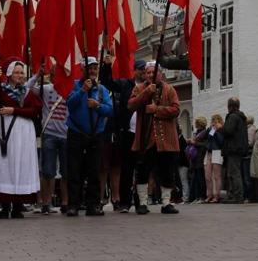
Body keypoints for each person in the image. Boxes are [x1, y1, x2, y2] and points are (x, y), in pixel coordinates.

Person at [0, 59, 42, 219]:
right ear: (9, 74)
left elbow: (35, 111)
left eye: (22, 72)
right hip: (5, 131)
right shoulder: (1, 90)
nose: (20, 75)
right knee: (4, 166)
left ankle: (17, 205)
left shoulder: (28, 93)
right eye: (16, 72)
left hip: (23, 133)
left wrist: (15, 110)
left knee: (20, 166)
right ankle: (4, 206)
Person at [127, 62, 180, 215]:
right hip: (146, 139)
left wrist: (157, 110)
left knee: (167, 172)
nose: (150, 75)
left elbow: (176, 109)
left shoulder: (169, 89)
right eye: (148, 72)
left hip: (166, 141)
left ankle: (166, 202)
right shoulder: (139, 89)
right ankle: (142, 202)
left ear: (160, 74)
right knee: (143, 171)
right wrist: (145, 94)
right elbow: (131, 105)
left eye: (153, 72)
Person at [65, 57, 113, 217]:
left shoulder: (101, 90)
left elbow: (109, 109)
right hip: (76, 132)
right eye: (89, 68)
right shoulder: (75, 86)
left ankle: (93, 204)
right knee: (74, 170)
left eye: (95, 68)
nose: (92, 71)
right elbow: (70, 104)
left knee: (94, 171)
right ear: (83, 70)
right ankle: (73, 204)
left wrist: (97, 106)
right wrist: (82, 91)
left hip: (95, 134)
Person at [99, 56, 146, 212]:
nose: (143, 73)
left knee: (142, 168)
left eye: (145, 70)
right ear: (135, 71)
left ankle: (141, 201)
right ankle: (125, 202)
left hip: (143, 132)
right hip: (127, 132)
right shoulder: (126, 84)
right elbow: (108, 83)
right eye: (140, 70)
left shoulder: (150, 86)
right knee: (126, 168)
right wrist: (106, 67)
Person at [27, 66, 69, 215]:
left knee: (66, 171)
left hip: (66, 134)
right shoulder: (45, 89)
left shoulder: (70, 88)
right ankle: (46, 203)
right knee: (48, 171)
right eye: (54, 74)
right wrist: (37, 75)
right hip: (49, 134)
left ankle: (65, 202)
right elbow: (26, 89)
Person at [220, 97, 248, 203]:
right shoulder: (241, 117)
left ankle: (237, 196)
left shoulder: (232, 116)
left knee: (234, 173)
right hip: (238, 148)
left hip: (233, 148)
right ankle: (233, 195)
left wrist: (220, 128)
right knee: (234, 172)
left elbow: (228, 131)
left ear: (230, 106)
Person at [204, 114, 224, 203]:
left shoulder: (221, 130)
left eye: (215, 121)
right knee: (208, 176)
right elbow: (207, 139)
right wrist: (211, 130)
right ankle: (209, 194)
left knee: (216, 176)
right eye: (212, 121)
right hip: (209, 152)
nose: (213, 123)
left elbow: (221, 142)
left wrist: (216, 131)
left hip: (217, 152)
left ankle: (217, 195)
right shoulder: (210, 130)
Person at [187, 116, 207, 203]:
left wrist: (195, 143)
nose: (195, 125)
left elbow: (205, 145)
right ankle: (195, 196)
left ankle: (202, 196)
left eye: (196, 123)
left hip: (200, 158)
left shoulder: (205, 133)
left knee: (200, 179)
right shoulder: (197, 133)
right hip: (195, 159)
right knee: (195, 179)